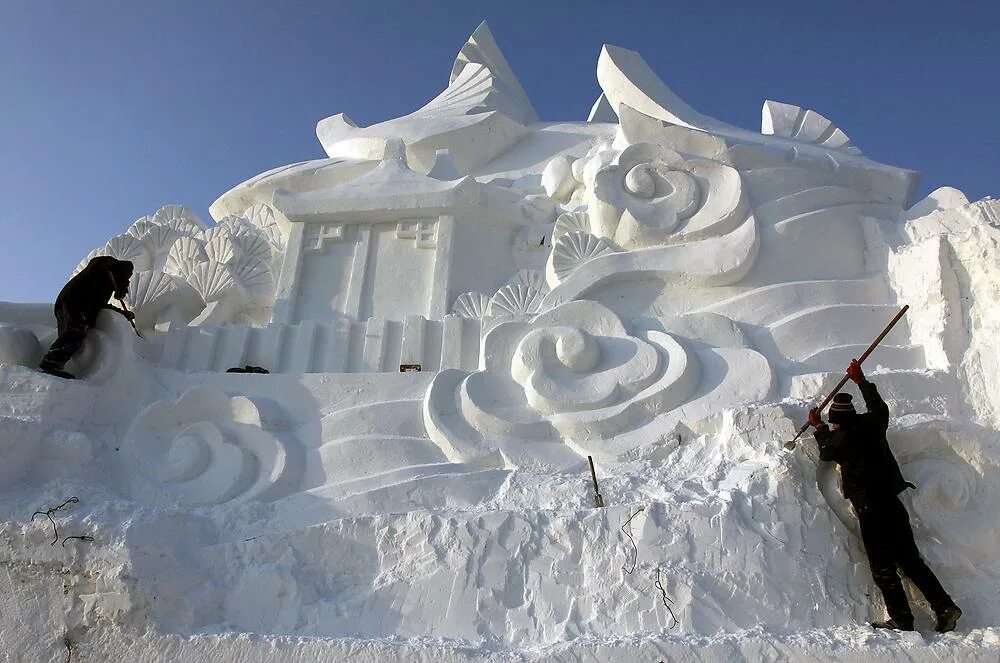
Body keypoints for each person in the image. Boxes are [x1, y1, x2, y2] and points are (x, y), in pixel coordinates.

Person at [808, 359, 962, 633]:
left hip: (871, 511)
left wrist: (817, 428)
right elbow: (879, 408)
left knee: (883, 568)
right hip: (892, 504)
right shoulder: (872, 425)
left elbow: (826, 452)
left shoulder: (842, 439)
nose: (832, 427)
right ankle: (944, 606)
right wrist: (862, 381)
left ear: (837, 422)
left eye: (833, 423)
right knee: (911, 562)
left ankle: (902, 619)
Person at [38, 256, 135, 379]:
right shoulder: (103, 267)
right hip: (71, 301)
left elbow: (101, 304)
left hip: (75, 304)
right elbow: (103, 266)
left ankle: (53, 364)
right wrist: (119, 283)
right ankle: (50, 365)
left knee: (74, 333)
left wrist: (123, 312)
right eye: (125, 280)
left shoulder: (106, 285)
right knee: (75, 330)